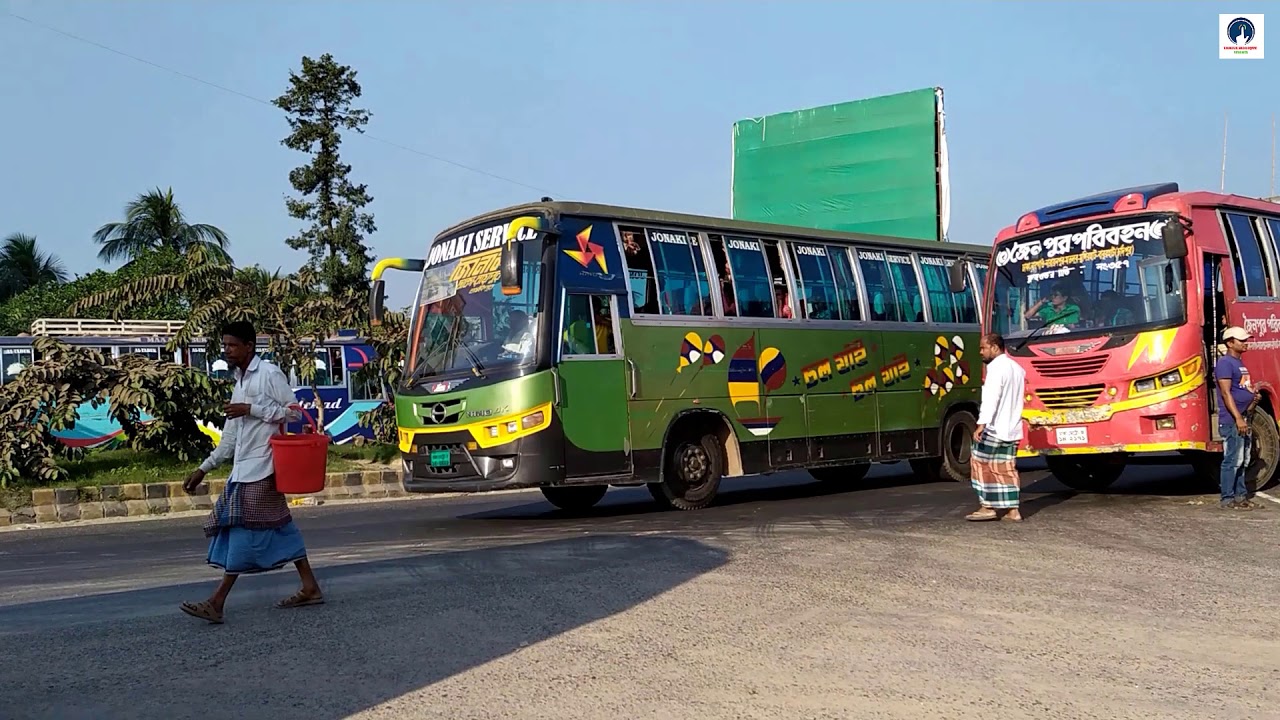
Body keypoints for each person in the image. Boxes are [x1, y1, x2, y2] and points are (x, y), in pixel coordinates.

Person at [180, 320, 324, 623]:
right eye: (225, 345)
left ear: (249, 346)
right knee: (280, 527)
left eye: (233, 345)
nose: (227, 351)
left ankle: (217, 601)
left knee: (243, 529)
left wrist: (253, 409)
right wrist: (203, 468)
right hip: (244, 470)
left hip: (264, 467)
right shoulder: (239, 383)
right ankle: (310, 586)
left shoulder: (269, 374)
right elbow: (231, 438)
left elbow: (293, 411)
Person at [967, 332, 1027, 523]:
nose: (981, 352)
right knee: (1006, 468)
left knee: (979, 464)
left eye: (983, 348)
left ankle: (987, 506)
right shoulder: (1017, 368)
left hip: (994, 428)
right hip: (1012, 428)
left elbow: (991, 399)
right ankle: (1013, 510)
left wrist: (981, 424)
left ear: (995, 347)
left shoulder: (995, 369)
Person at [1215, 326, 1265, 510]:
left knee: (1243, 459)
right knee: (1232, 461)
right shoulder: (1225, 363)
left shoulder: (1240, 364)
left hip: (1244, 417)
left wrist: (1253, 399)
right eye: (1241, 340)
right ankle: (1227, 498)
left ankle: (1241, 496)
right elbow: (1226, 393)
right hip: (1232, 421)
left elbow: (1241, 390)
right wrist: (1238, 418)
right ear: (1230, 343)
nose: (1245, 343)